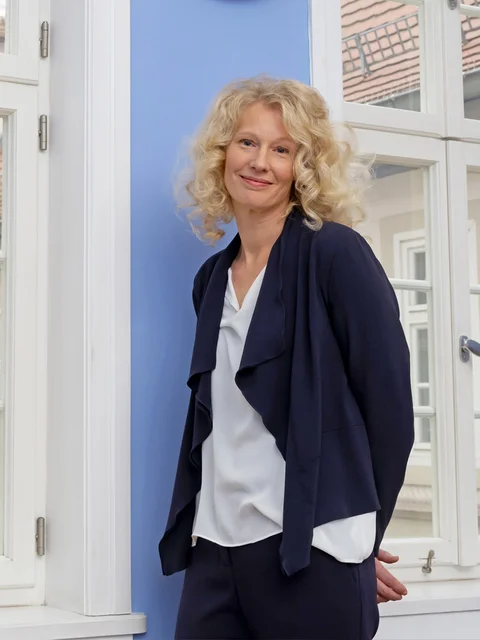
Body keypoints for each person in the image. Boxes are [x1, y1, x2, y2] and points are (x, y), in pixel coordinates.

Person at [159, 76, 414, 640]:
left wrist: (358, 539)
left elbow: (391, 414)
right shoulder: (210, 279)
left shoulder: (336, 254)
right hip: (215, 547)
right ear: (222, 153)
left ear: (304, 166)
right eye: (247, 142)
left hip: (312, 549)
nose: (260, 162)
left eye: (282, 149)